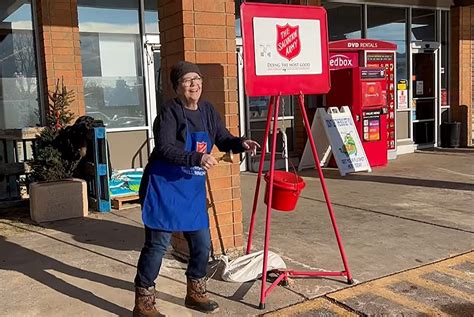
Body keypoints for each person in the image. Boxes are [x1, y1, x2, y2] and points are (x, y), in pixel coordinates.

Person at [133, 61, 259, 316]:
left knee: (202, 244)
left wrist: (240, 143)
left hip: (190, 190)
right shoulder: (170, 112)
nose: (194, 84)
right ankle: (143, 302)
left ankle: (195, 292)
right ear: (177, 87)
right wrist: (197, 158)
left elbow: (222, 138)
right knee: (157, 247)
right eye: (188, 80)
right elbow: (164, 149)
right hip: (164, 188)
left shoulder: (208, 111)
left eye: (197, 79)